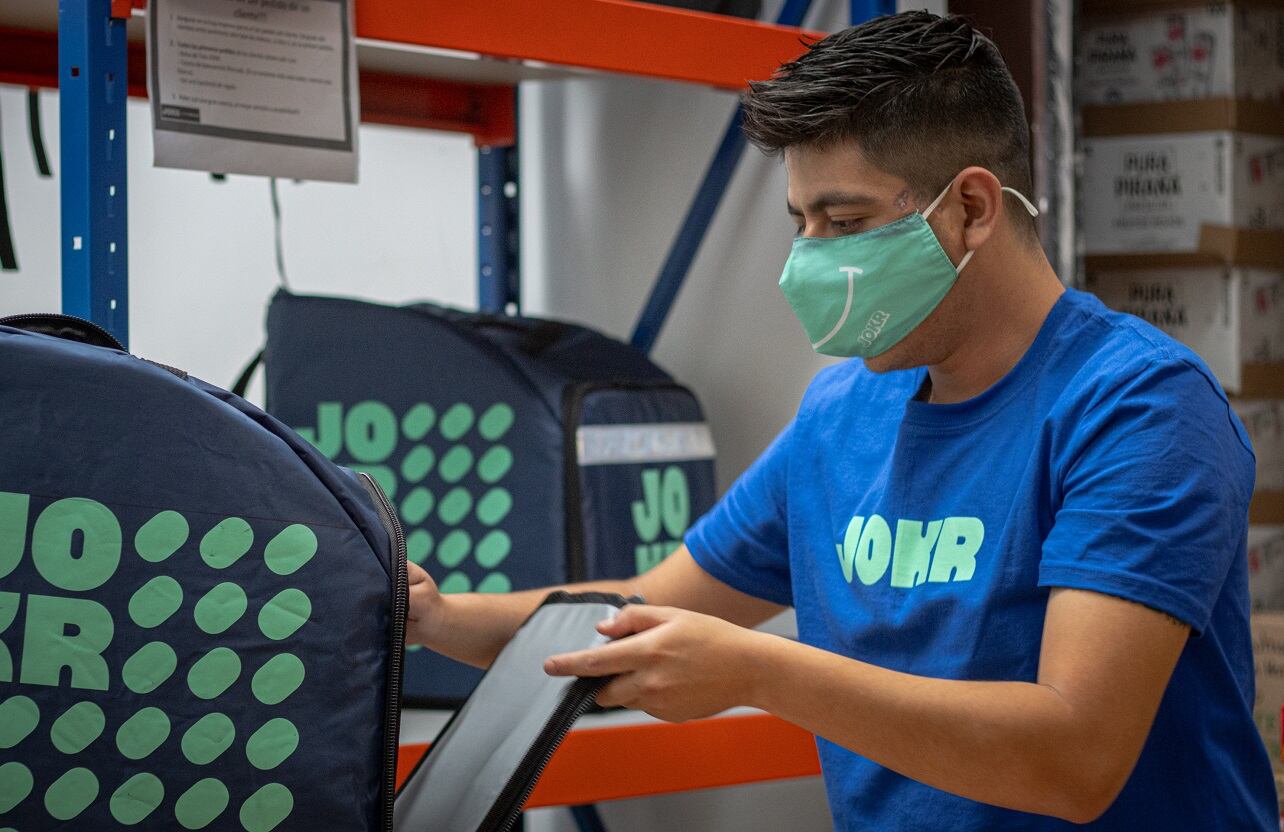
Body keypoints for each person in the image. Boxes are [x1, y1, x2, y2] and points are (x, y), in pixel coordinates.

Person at [405, 11, 1277, 829]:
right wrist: (440, 619)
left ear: (971, 208)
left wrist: (756, 670)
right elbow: (639, 615)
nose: (810, 259)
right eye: (801, 221)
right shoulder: (841, 414)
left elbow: (1074, 756)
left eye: (844, 220)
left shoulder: (1139, 408)